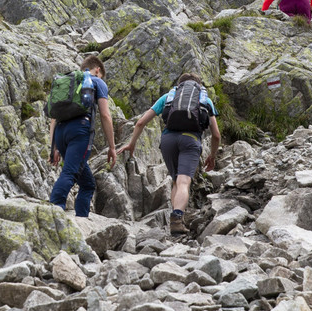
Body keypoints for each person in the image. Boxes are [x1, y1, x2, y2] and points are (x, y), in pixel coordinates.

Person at [118, 73, 220, 236]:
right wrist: (212, 156)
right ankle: (178, 218)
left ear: (179, 85)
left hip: (168, 140)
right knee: (184, 181)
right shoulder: (204, 100)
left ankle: (176, 221)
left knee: (175, 181)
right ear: (198, 86)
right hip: (190, 139)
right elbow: (216, 135)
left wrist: (132, 144)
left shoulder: (168, 97)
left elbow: (141, 122)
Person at [48, 56, 117, 218]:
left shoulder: (70, 82)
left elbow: (53, 118)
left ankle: (81, 219)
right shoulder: (97, 82)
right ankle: (53, 211)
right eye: (100, 75)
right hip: (79, 131)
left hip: (61, 133)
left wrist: (54, 147)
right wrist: (112, 147)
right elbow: (105, 115)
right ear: (98, 70)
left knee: (87, 183)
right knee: (70, 172)